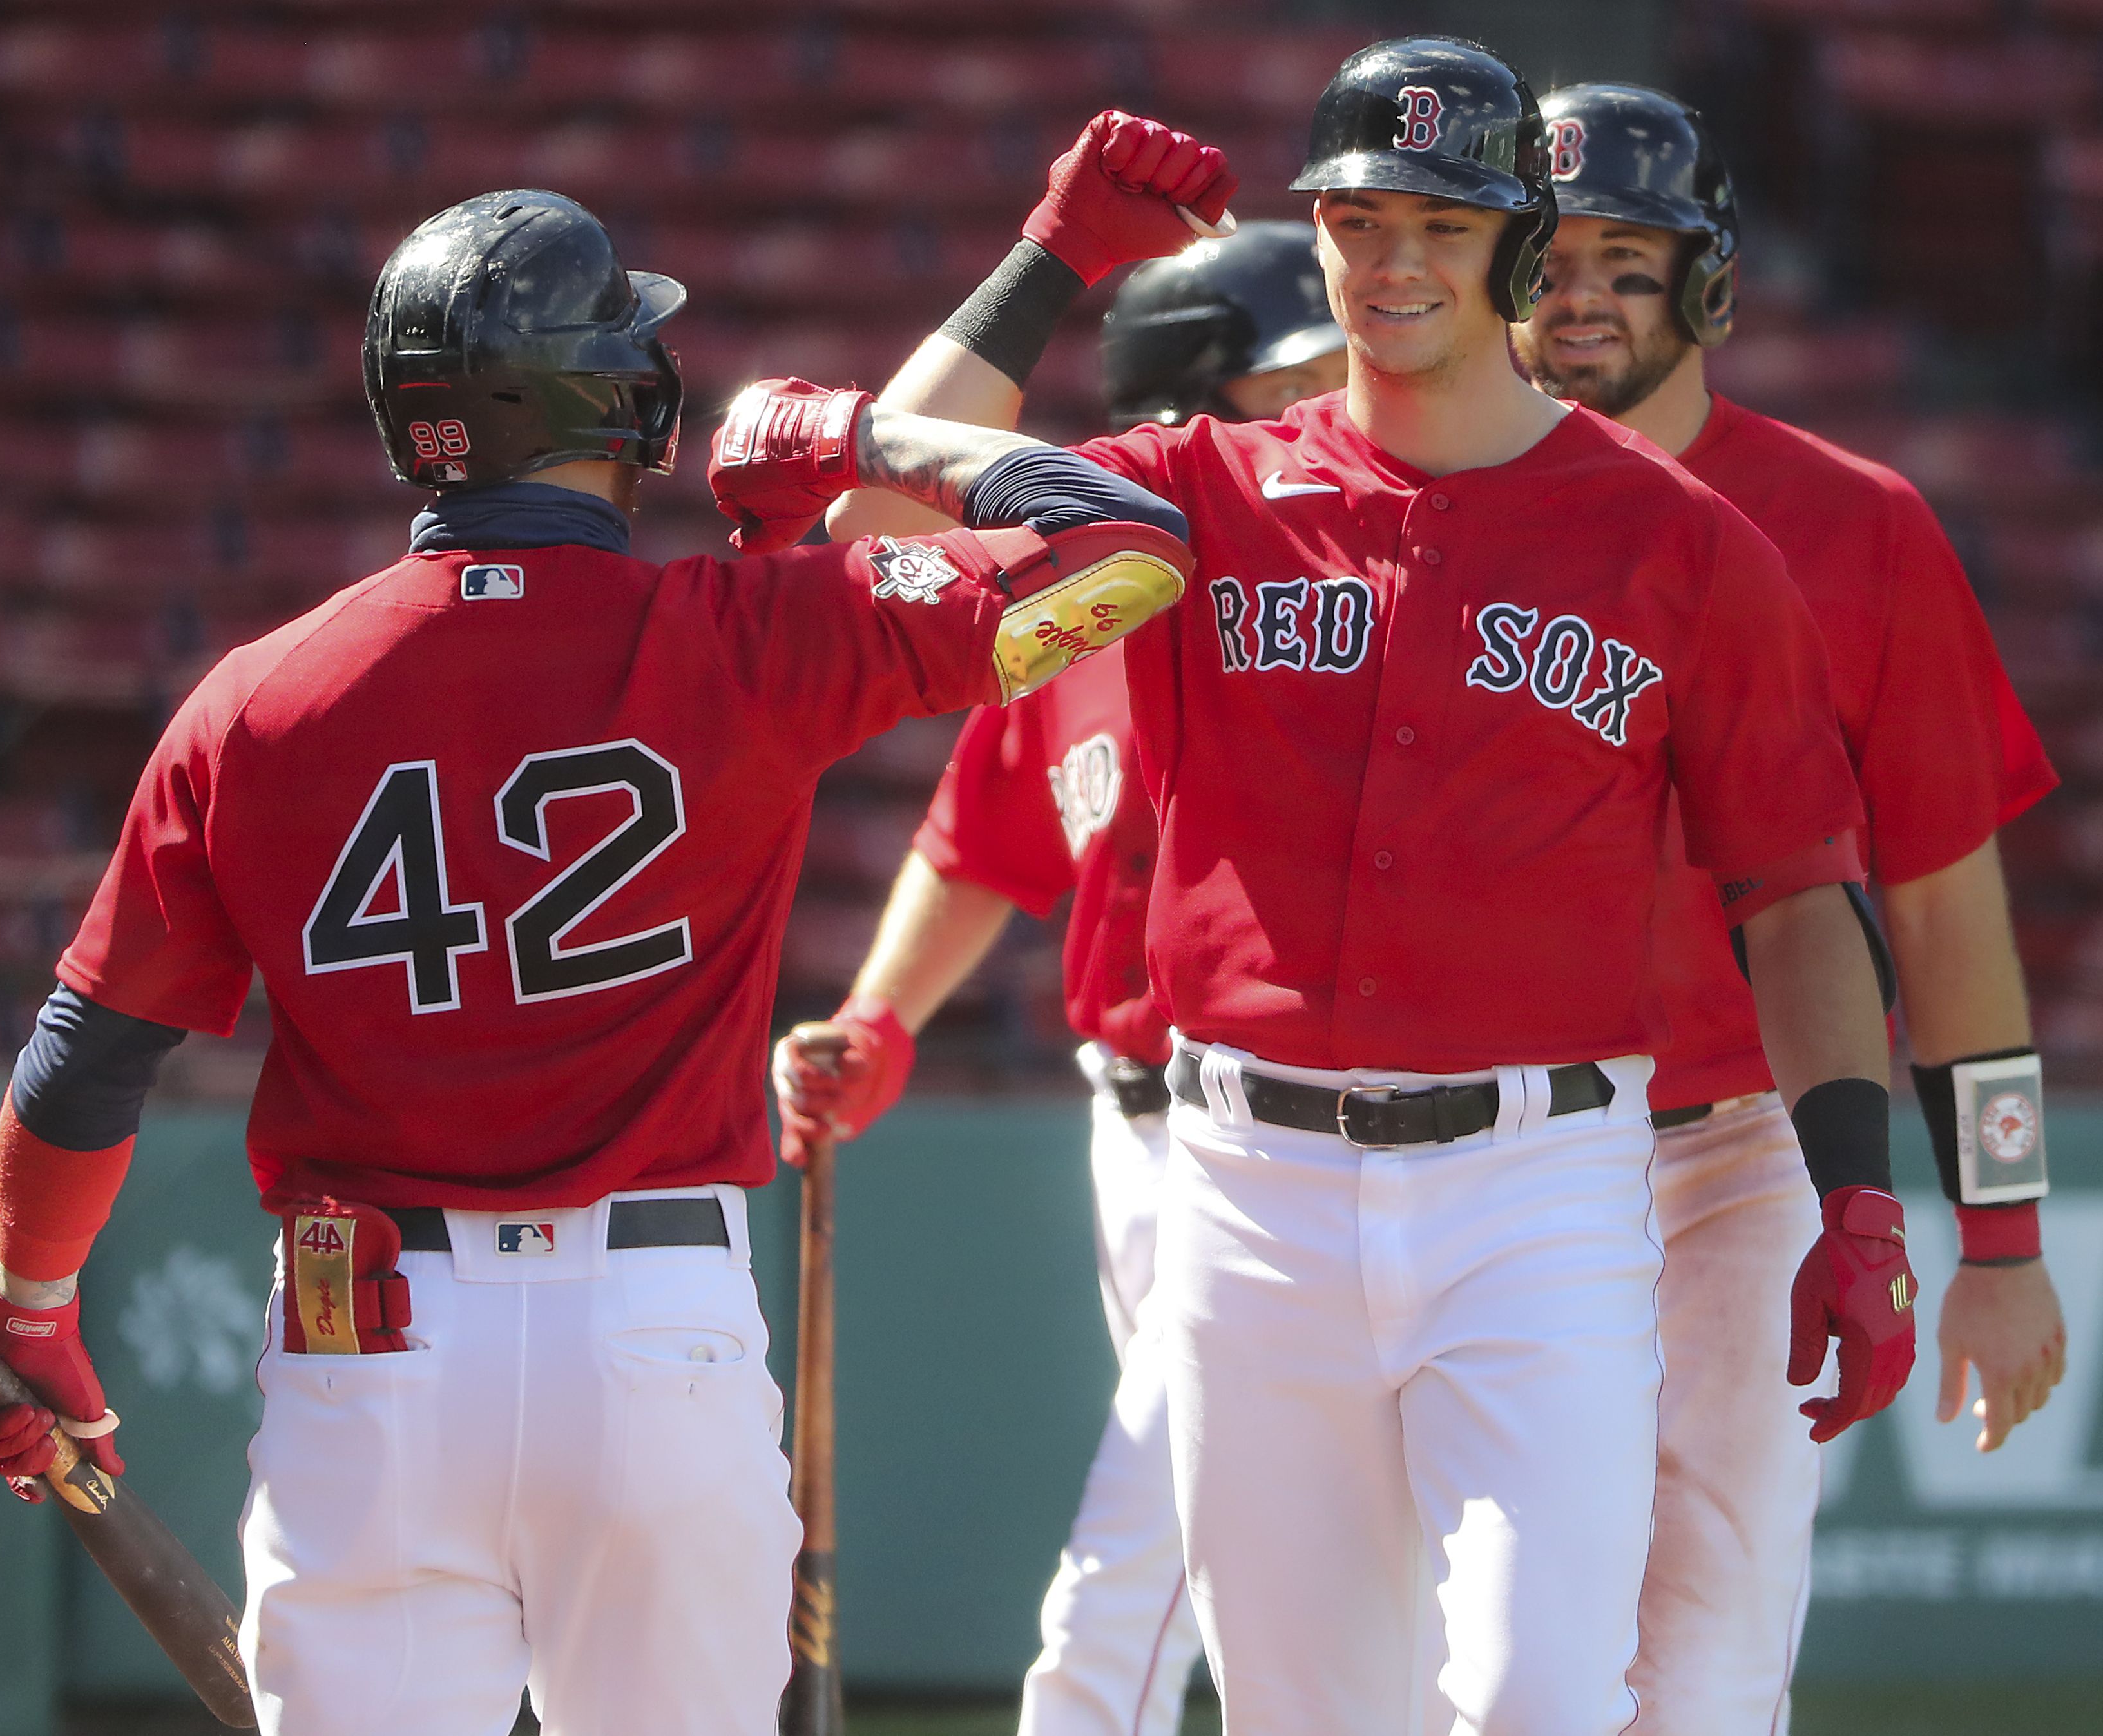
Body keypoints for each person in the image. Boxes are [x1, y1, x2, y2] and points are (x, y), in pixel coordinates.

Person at [0, 189, 1196, 1736]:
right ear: (610, 396)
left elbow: (88, 1055)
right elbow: (1128, 550)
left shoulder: (250, 703)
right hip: (651, 1335)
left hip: (369, 1346)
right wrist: (860, 436)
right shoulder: (741, 633)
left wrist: (31, 1314)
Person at [795, 40, 1913, 1733]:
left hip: (1542, 1186)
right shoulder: (1195, 494)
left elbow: (1797, 894)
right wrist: (1054, 256)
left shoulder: (1680, 544)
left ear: (1523, 250)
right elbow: (875, 511)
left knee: (1542, 1692)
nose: (1390, 262)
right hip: (1245, 1181)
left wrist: (1860, 1194)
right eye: (1355, 217)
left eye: (1440, 225)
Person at [1513, 82, 2068, 1734]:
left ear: (1708, 282)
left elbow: (1953, 925)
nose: (1580, 295)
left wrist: (2008, 1237)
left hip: (1747, 1150)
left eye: (1628, 258)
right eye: (1545, 257)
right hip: (1492, 1145)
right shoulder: (1426, 505)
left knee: (1711, 1651)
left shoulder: (1859, 526)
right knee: (1488, 1656)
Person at [774, 222, 1346, 1736]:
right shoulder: (1085, 605)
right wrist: (883, 1013)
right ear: (1166, 417)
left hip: (1294, 1137)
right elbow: (977, 846)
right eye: (1287, 384)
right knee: (1240, 1546)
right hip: (1139, 1129)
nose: (1331, 407)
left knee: (1143, 1556)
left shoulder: (1344, 595)